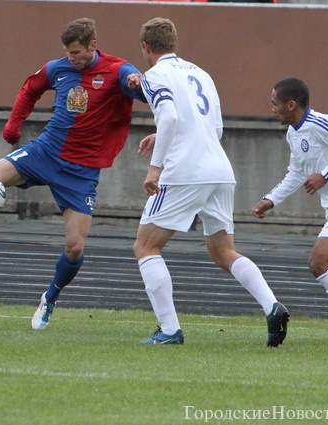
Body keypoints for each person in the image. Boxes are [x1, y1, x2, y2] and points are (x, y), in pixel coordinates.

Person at [0, 17, 147, 330]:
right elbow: (30, 89)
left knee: (75, 247)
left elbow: (144, 93)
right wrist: (14, 124)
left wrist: (139, 86)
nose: (72, 59)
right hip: (45, 152)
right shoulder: (58, 68)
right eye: (68, 53)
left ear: (93, 46)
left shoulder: (119, 70)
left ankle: (50, 298)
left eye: (77, 53)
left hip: (81, 171)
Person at [131, 18, 289, 346]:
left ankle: (170, 330)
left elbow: (172, 116)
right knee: (223, 251)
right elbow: (213, 128)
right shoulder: (201, 73)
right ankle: (272, 305)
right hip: (219, 169)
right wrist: (163, 135)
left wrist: (155, 168)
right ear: (174, 42)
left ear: (146, 47)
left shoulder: (154, 75)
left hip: (183, 172)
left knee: (146, 246)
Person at [253, 77, 328, 347]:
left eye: (275, 104)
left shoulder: (322, 123)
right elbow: (296, 172)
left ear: (291, 104)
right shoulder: (293, 133)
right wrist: (271, 199)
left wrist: (326, 175)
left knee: (318, 262)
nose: (272, 109)